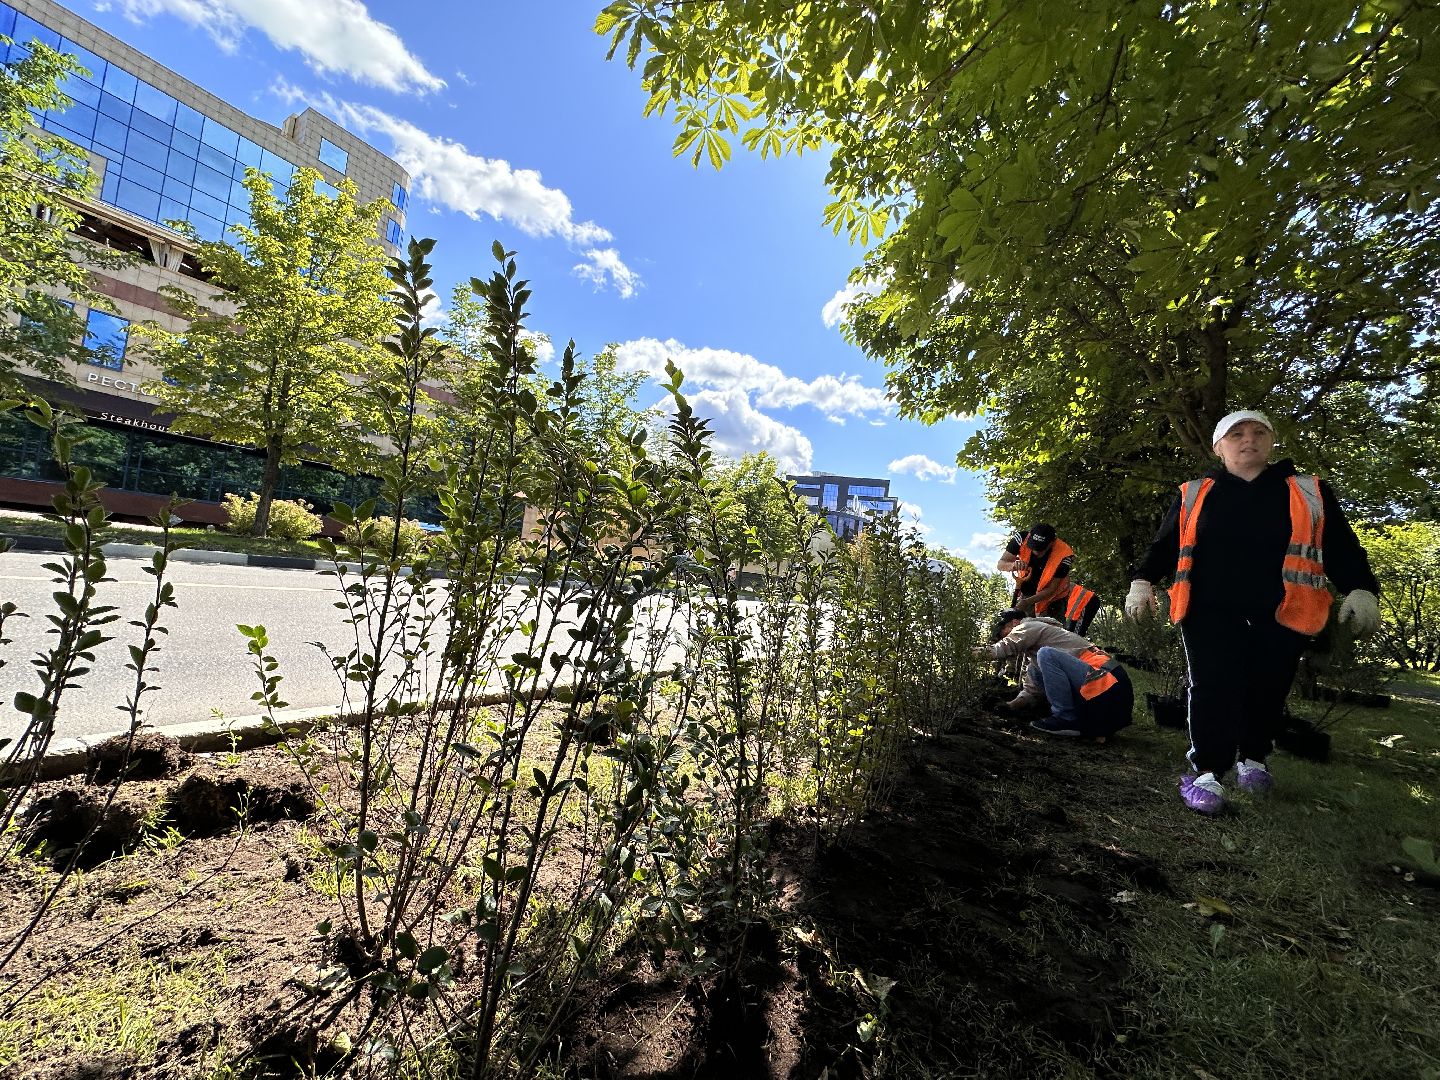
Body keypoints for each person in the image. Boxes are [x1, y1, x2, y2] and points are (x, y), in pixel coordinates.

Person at [1126, 409, 1380, 815]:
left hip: (1284, 610)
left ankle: (1254, 759)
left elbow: (1342, 547)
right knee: (1211, 686)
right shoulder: (1195, 493)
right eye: (1236, 434)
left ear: (1272, 441)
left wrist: (1362, 588)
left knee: (1268, 686)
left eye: (1259, 432)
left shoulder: (1307, 491)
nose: (1248, 439)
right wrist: (1142, 582)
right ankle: (1207, 772)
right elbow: (1165, 545)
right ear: (1218, 446)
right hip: (1207, 609)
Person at [977, 609, 1134, 739]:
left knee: (1046, 654)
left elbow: (1002, 648)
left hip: (1111, 687)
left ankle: (1066, 719)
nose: (1002, 637)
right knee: (1037, 666)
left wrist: (965, 654)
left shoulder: (1027, 626)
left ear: (1014, 623)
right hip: (1105, 696)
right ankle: (1081, 722)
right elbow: (1032, 690)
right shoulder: (1040, 649)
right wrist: (1009, 707)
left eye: (1001, 633)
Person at [997, 522, 1104, 634]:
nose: (1036, 552)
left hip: (1054, 598)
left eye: (1040, 549)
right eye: (1033, 547)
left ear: (1051, 543)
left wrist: (1027, 602)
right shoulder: (1020, 539)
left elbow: (1051, 589)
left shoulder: (1064, 555)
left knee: (1053, 634)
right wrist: (1012, 565)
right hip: (1027, 592)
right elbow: (1001, 564)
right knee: (1023, 632)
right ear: (1030, 536)